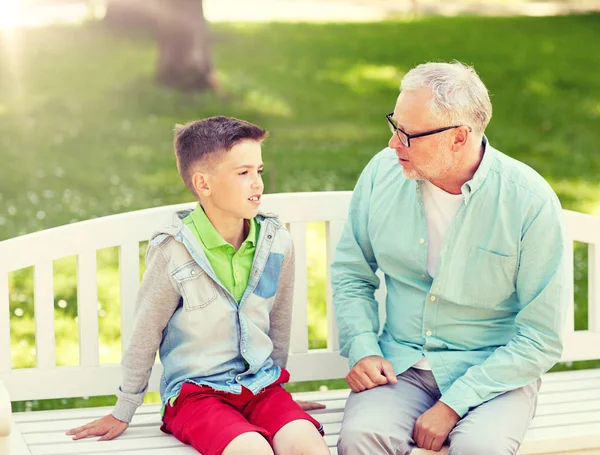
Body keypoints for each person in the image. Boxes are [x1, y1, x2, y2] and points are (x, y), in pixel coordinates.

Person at [332, 61, 568, 455]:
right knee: (360, 440)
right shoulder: (381, 173)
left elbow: (540, 338)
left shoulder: (529, 202)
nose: (393, 144)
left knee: (481, 449)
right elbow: (353, 272)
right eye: (395, 125)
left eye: (408, 134)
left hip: (493, 374)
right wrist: (363, 347)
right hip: (400, 368)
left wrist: (453, 404)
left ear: (459, 137)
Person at [67, 116, 328, 455]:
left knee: (308, 445)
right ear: (203, 183)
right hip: (196, 395)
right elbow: (146, 331)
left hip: (261, 388)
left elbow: (278, 320)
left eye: (259, 171)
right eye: (243, 173)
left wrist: (277, 389)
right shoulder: (174, 249)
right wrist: (124, 409)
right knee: (252, 449)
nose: (257, 184)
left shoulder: (276, 242)